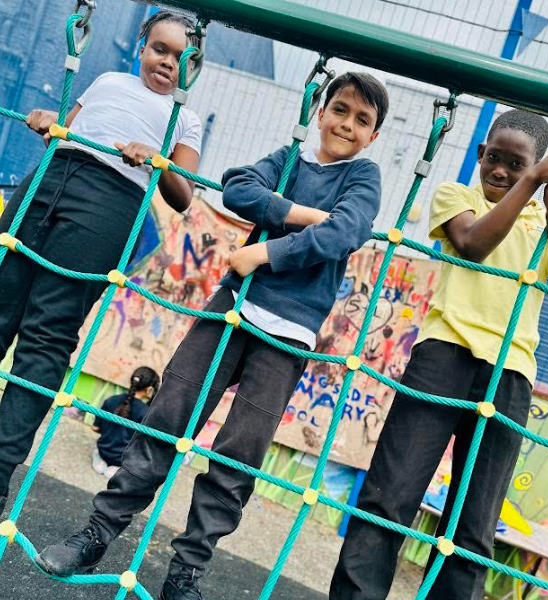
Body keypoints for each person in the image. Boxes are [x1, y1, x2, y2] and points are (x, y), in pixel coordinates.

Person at [35, 71, 389, 600]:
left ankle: (186, 572)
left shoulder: (363, 175)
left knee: (237, 455)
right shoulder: (290, 160)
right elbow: (238, 185)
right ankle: (97, 533)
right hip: (232, 308)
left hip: (290, 332)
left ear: (374, 136)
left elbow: (347, 231)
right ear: (320, 112)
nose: (347, 124)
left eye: (362, 120)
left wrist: (263, 252)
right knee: (166, 419)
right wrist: (302, 214)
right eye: (339, 109)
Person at [329, 109, 548, 600]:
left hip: (510, 372)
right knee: (390, 495)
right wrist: (534, 179)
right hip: (443, 357)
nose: (501, 171)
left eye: (517, 165)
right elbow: (472, 244)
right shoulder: (458, 197)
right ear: (479, 154)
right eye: (494, 158)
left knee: (473, 526)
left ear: (536, 166)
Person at [0, 11, 202, 518]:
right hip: (50, 176)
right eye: (160, 49)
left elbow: (184, 195)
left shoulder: (184, 118)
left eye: (181, 58)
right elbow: (69, 128)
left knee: (47, 333)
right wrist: (49, 121)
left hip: (111, 201)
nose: (168, 62)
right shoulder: (109, 80)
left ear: (194, 67)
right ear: (142, 47)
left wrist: (158, 161)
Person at [91, 367, 160, 479]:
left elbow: (95, 428)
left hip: (103, 450)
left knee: (102, 463)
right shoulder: (146, 413)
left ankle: (100, 458)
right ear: (149, 389)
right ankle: (114, 468)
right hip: (123, 459)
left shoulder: (111, 400)